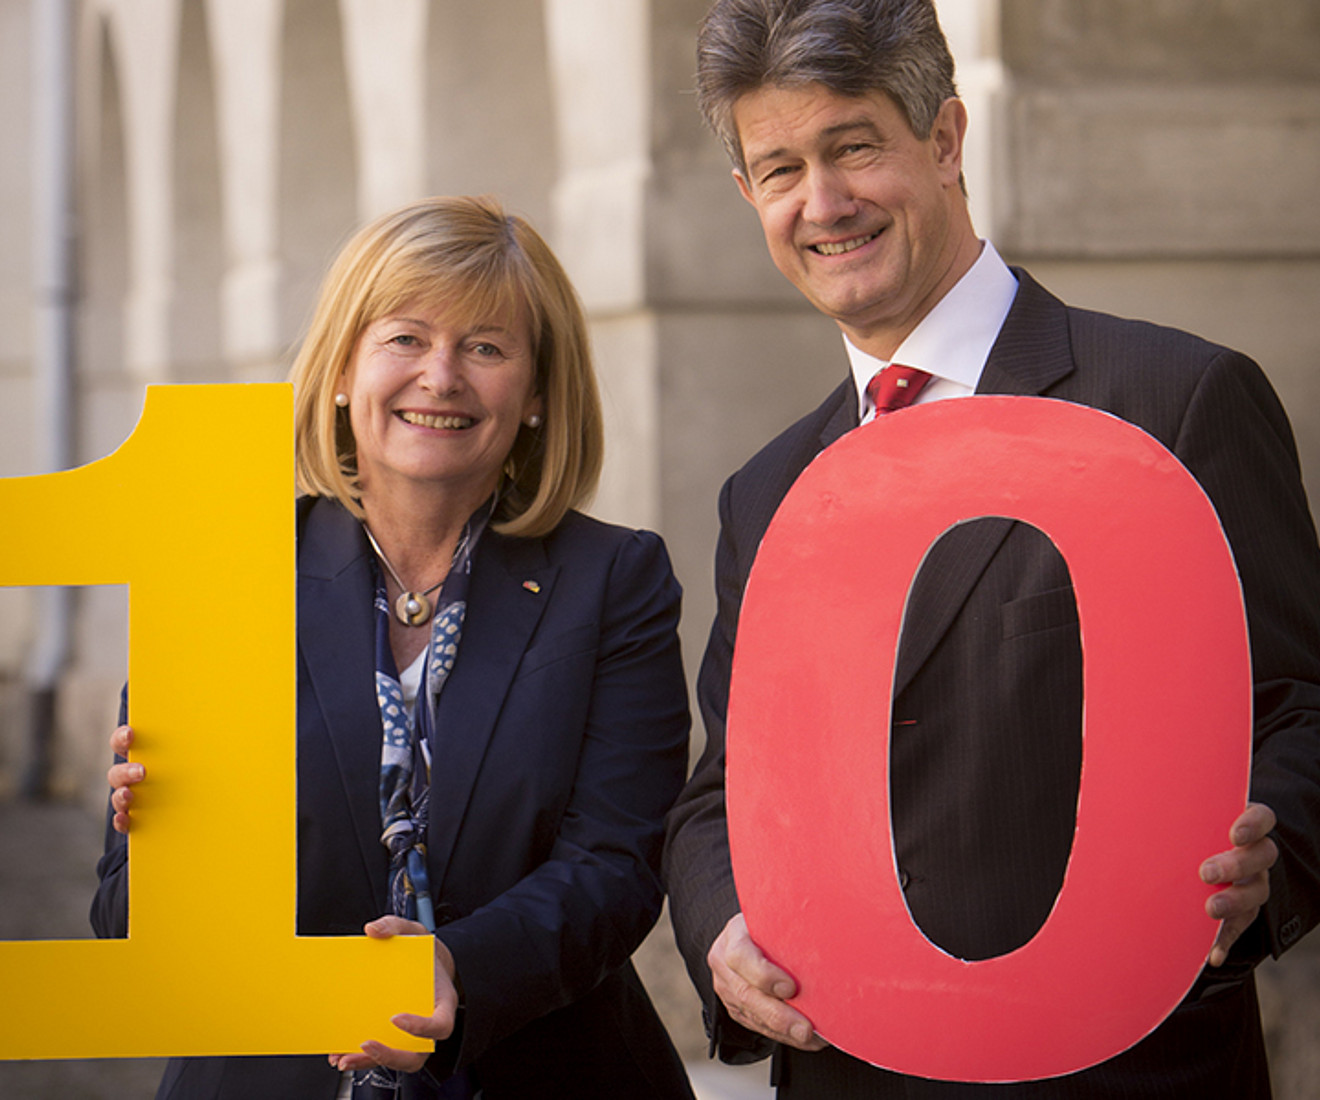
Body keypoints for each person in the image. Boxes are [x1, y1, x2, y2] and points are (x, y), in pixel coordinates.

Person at [662, 1, 1320, 1095]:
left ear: (949, 138)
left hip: (1127, 1072)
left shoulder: (1174, 402)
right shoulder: (767, 493)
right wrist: (722, 927)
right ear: (748, 197)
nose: (822, 204)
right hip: (849, 1073)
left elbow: (1301, 705)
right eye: (780, 168)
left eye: (854, 146)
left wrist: (1269, 858)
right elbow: (717, 794)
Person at [94, 195, 695, 1100]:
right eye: (405, 339)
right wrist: (153, 841)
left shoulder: (614, 580)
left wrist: (456, 968)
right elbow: (123, 924)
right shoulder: (227, 571)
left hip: (543, 1070)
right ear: (341, 371)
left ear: (535, 394)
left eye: (486, 347)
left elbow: (615, 865)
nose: (441, 376)